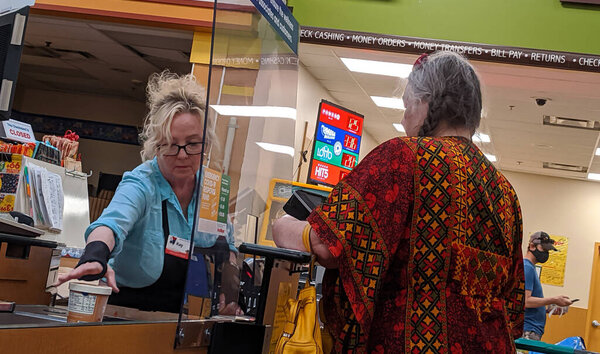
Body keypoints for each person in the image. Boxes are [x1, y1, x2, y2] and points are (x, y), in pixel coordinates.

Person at [273, 51, 525, 353]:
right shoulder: (505, 193)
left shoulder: (403, 158)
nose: (404, 120)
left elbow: (327, 245)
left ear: (425, 101)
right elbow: (513, 302)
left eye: (407, 106)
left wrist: (283, 225)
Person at [57, 72, 238, 314]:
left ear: (206, 144)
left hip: (187, 321)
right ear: (156, 145)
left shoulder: (213, 189)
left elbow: (228, 252)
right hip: (128, 314)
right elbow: (111, 224)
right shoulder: (142, 183)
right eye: (172, 145)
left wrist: (231, 294)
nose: (183, 154)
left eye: (193, 144)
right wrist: (95, 255)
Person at [522, 231, 572, 341]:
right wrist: (554, 299)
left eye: (547, 251)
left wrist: (546, 309)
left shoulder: (530, 267)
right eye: (543, 249)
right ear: (532, 246)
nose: (546, 253)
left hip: (532, 330)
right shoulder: (527, 268)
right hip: (528, 330)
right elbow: (526, 301)